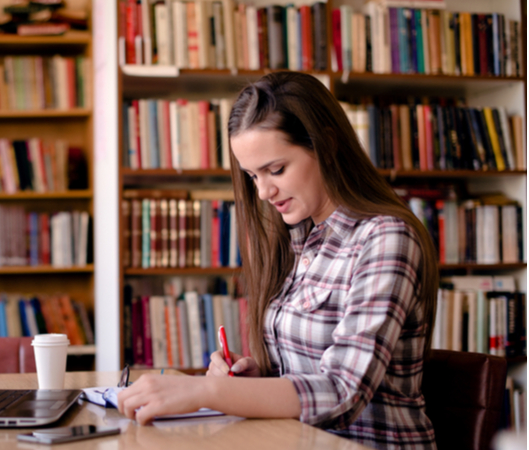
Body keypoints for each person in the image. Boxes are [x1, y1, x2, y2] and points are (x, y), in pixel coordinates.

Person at [116, 72, 439, 450]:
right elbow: (306, 375)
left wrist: (206, 391)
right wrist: (252, 381)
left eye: (276, 169)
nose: (264, 192)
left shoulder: (385, 238)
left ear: (327, 145)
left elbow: (343, 391)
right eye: (253, 175)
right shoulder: (296, 239)